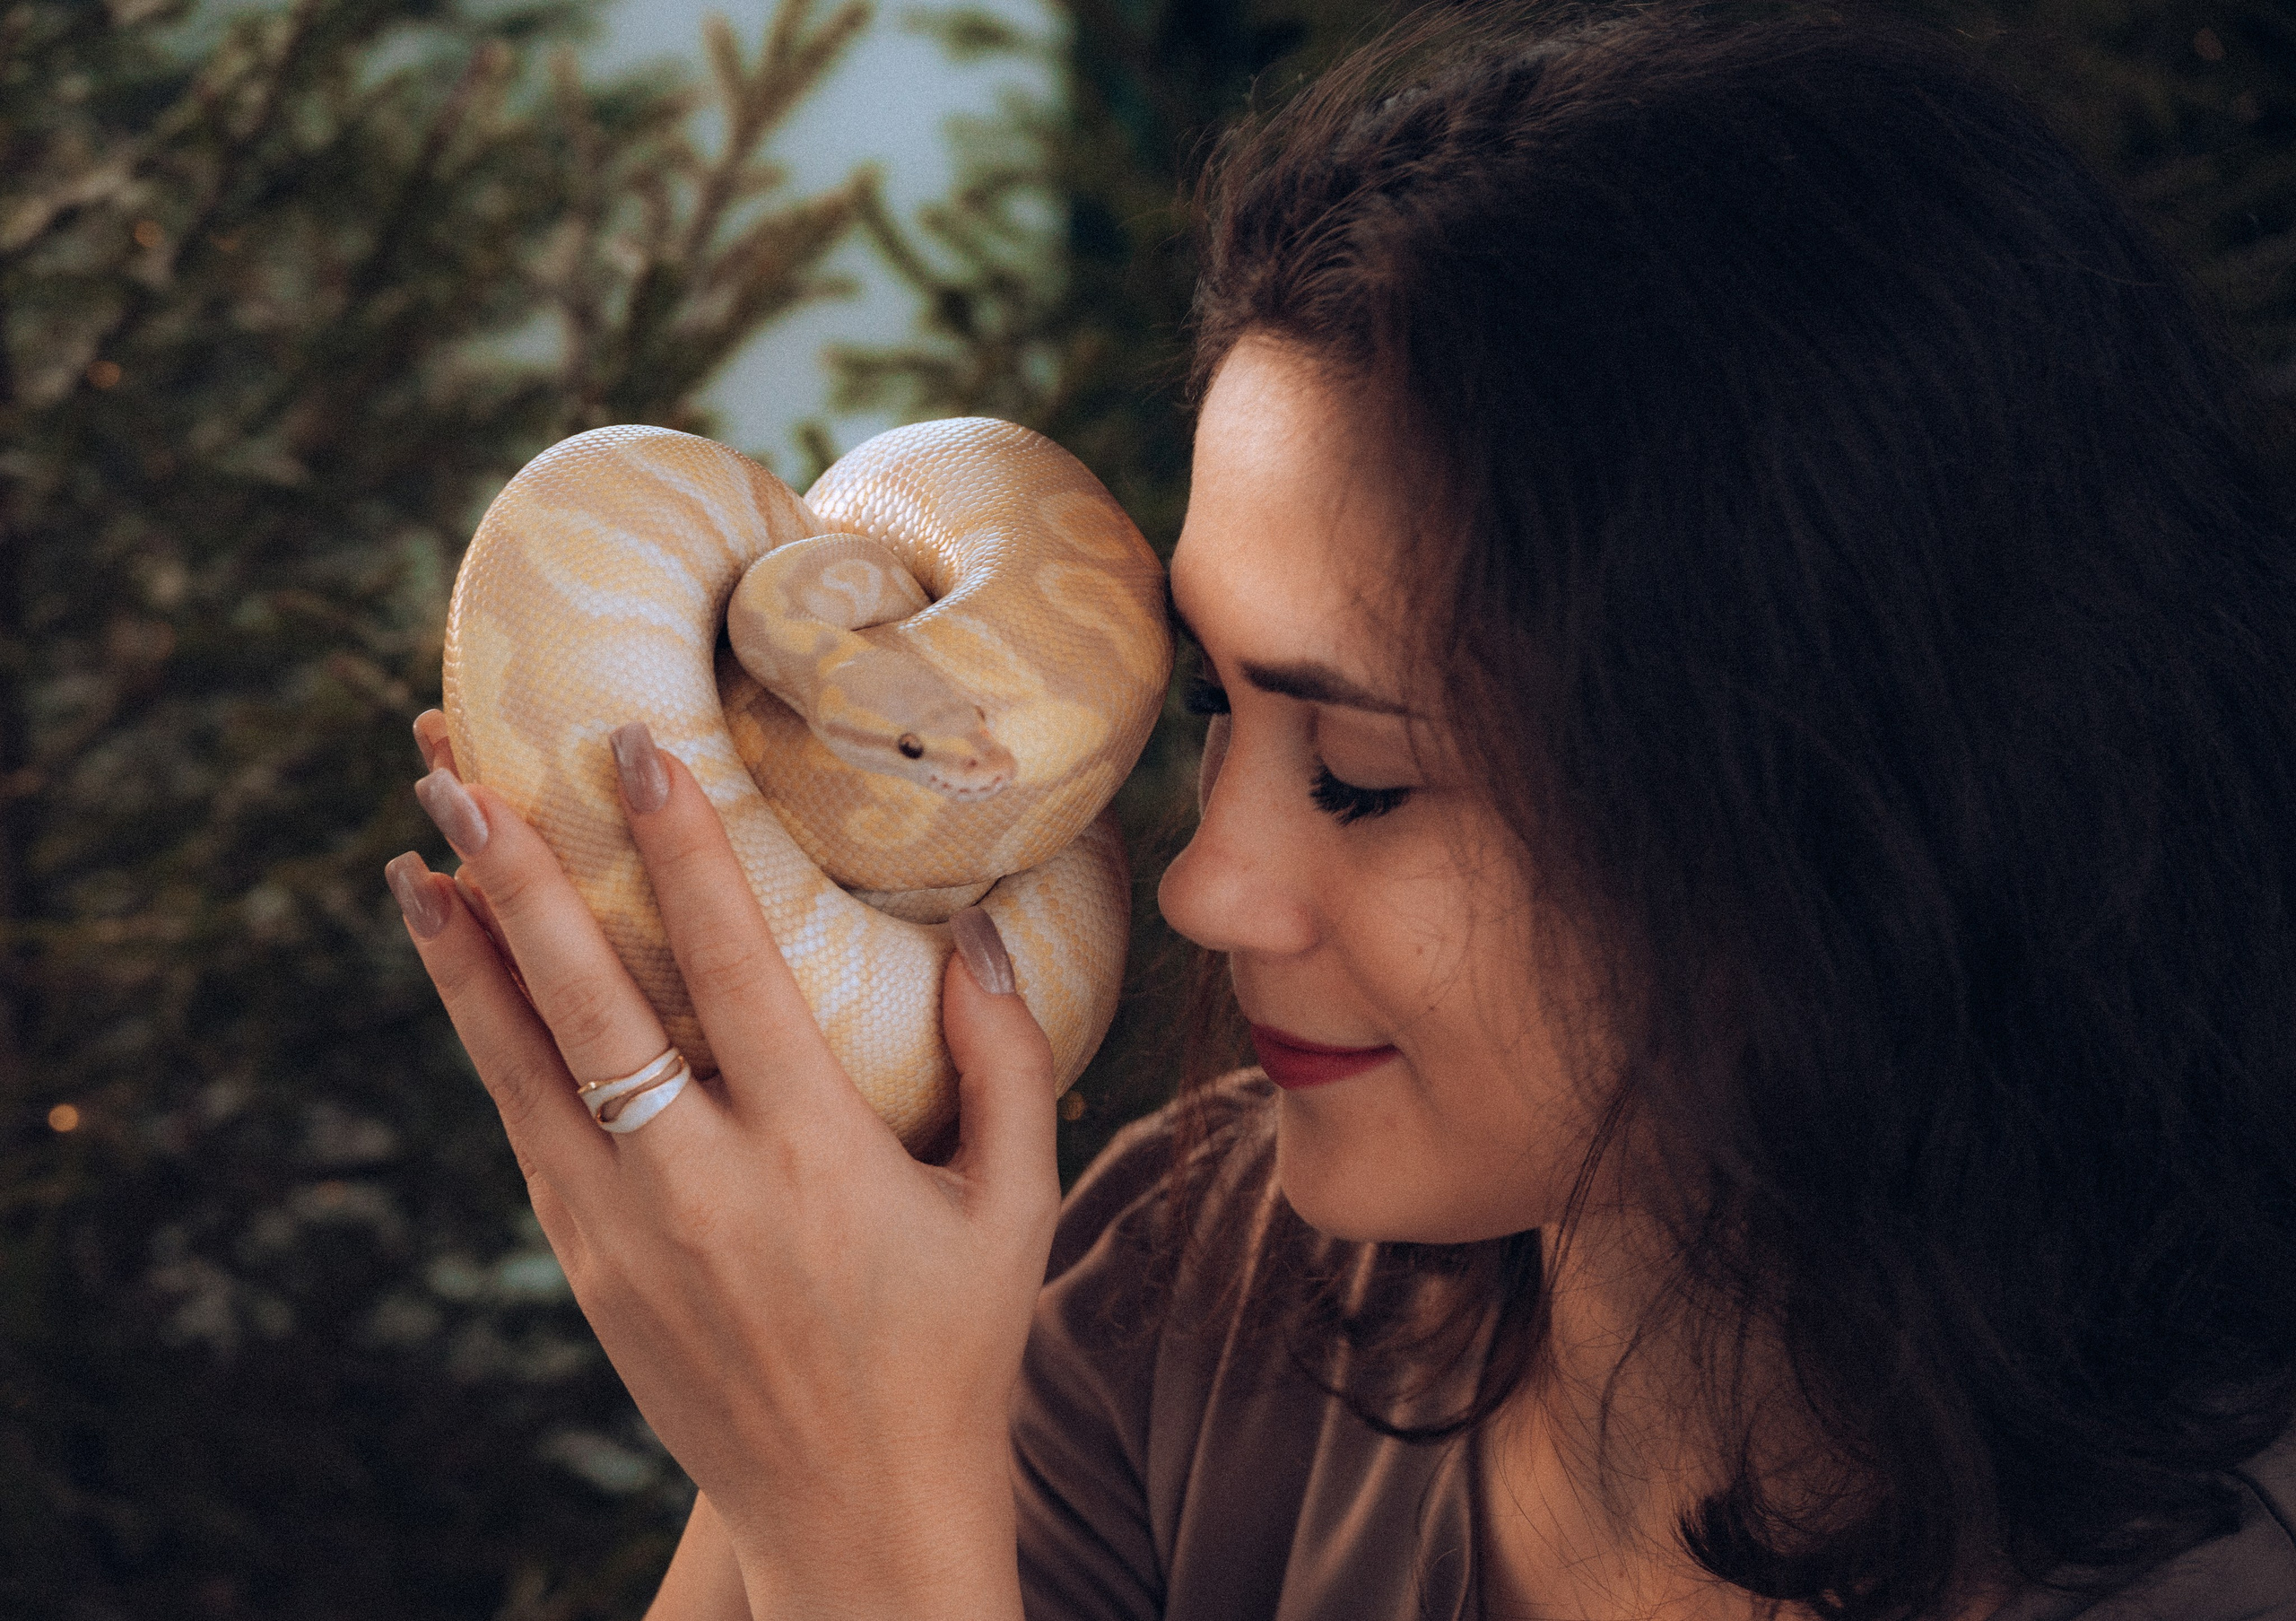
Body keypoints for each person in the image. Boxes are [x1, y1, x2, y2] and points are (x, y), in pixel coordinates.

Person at [383, 1, 2296, 1616]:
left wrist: (859, 1524)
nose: (1207, 882)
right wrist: (800, 1401)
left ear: (1830, 808)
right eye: (1215, 701)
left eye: (1362, 777)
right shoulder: (1191, 1295)